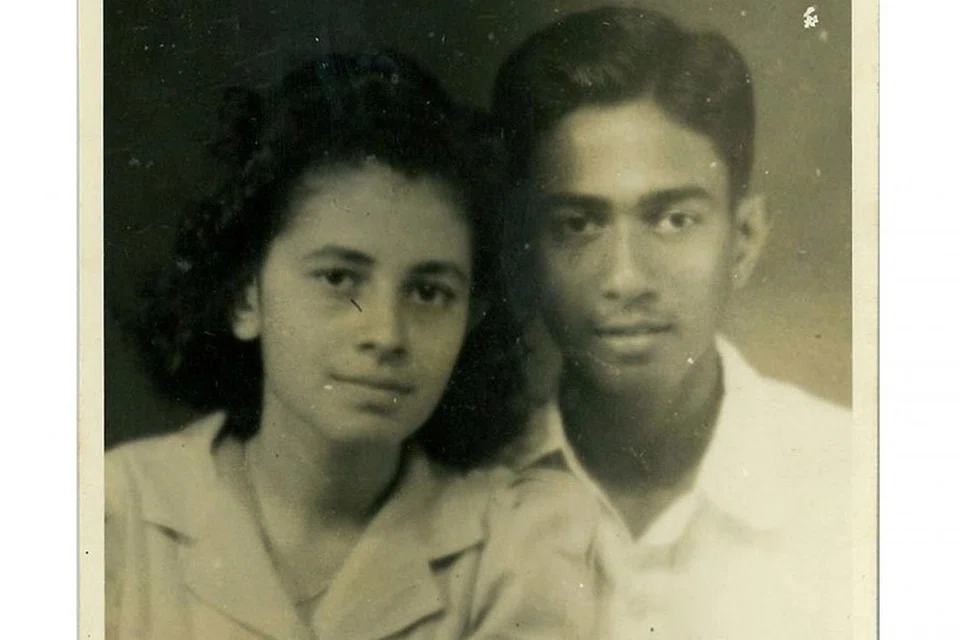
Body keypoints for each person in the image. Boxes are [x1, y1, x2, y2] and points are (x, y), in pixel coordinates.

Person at [105, 51, 602, 639]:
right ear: (246, 297)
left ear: (470, 317)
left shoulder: (513, 547)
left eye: (429, 292)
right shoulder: (112, 514)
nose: (385, 334)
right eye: (339, 278)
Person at [492, 7, 853, 638]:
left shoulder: (859, 479)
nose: (626, 277)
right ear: (526, 251)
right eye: (578, 224)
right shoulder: (470, 495)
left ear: (744, 239)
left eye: (674, 219)